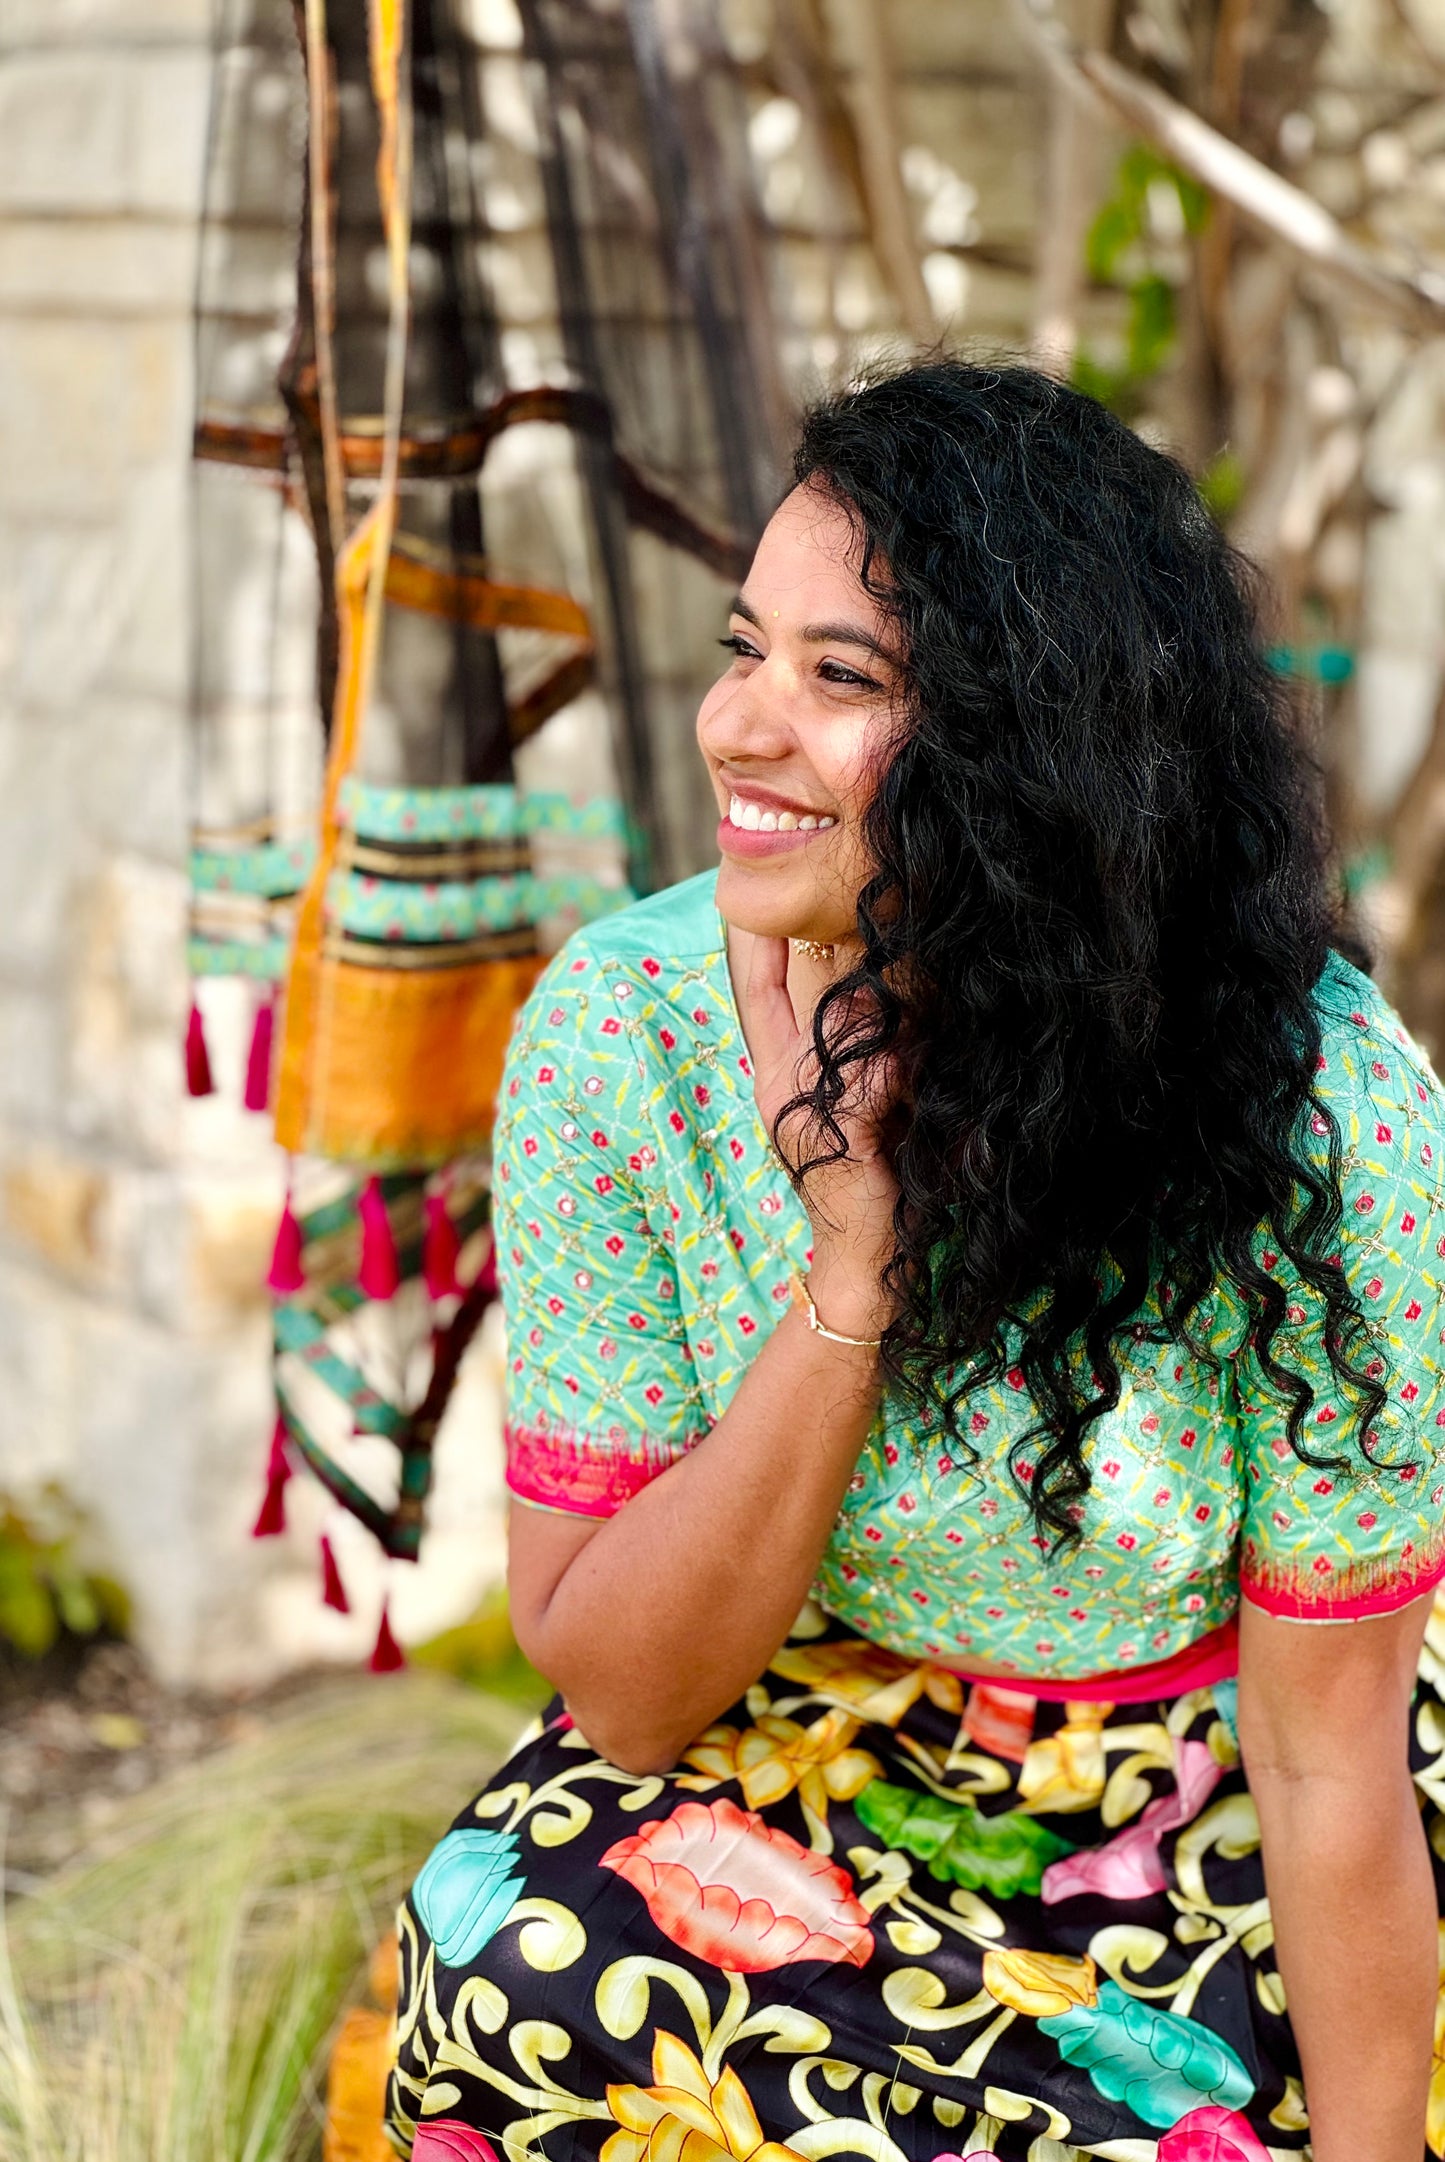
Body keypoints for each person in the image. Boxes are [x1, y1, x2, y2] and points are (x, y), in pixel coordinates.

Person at [385, 361, 1445, 2162]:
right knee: (508, 1981)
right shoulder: (623, 1036)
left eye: (841, 678)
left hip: (1208, 1777)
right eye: (746, 649)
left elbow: (1324, 1755)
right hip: (805, 1719)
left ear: (1030, 750)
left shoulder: (1320, 1111)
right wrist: (852, 1255)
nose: (737, 725)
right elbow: (625, 1697)